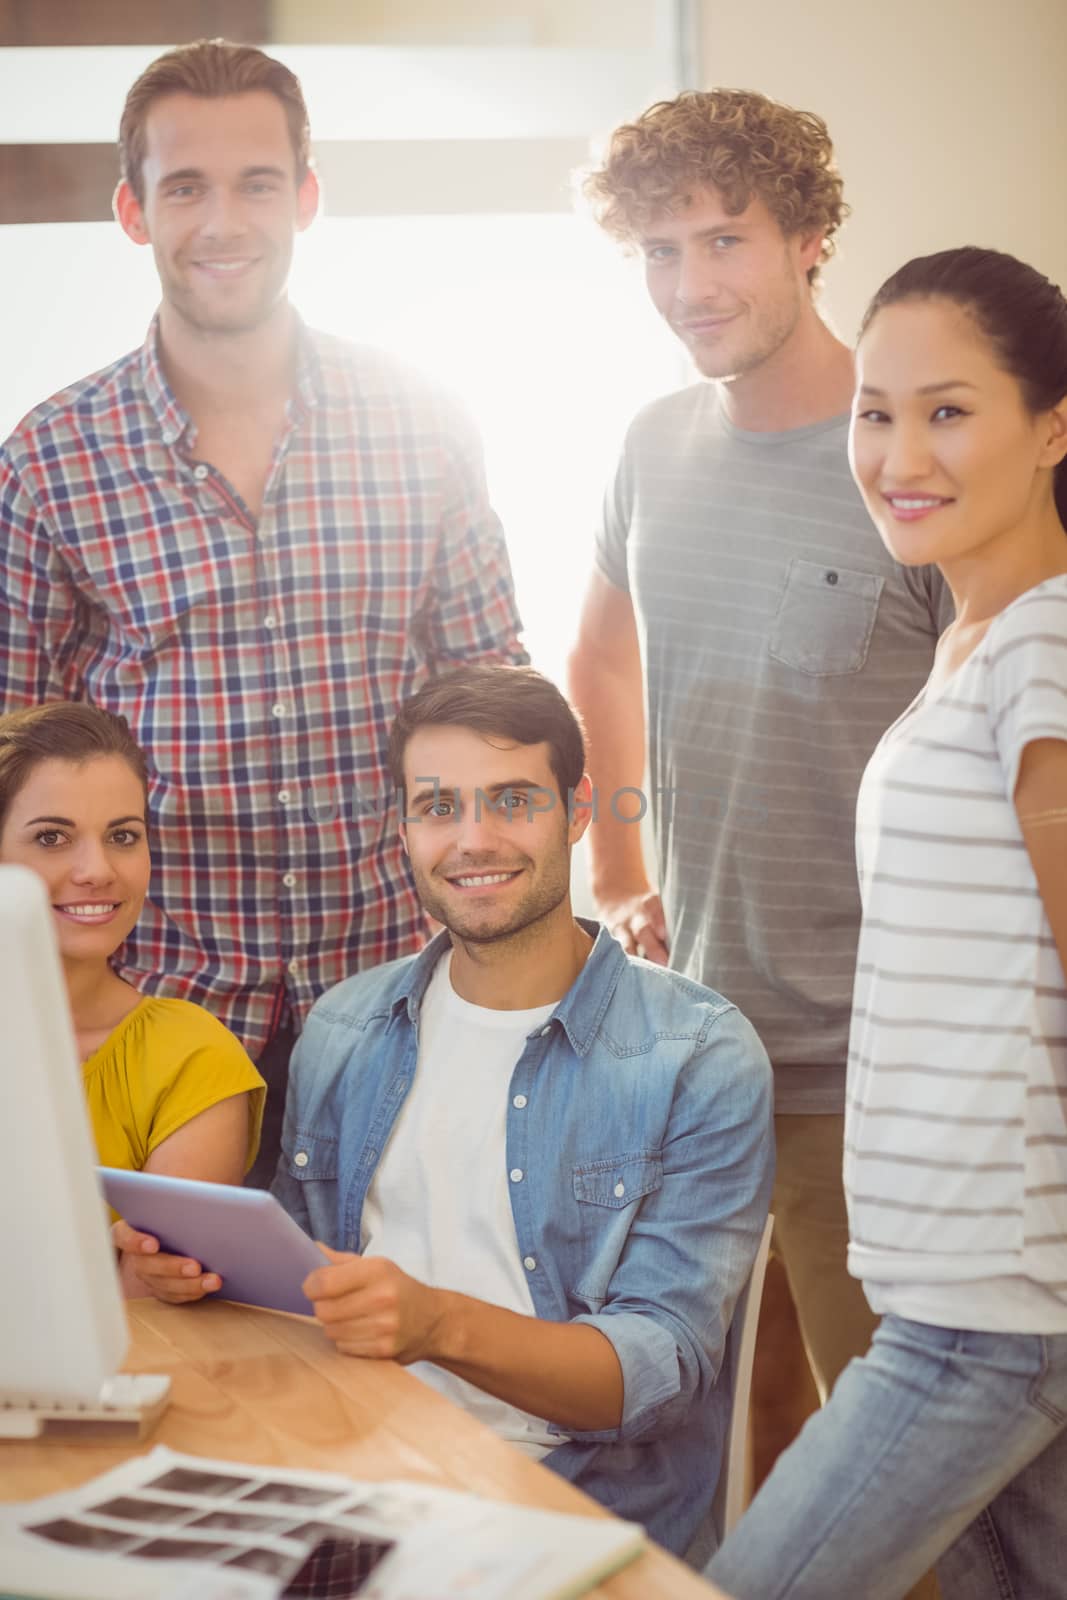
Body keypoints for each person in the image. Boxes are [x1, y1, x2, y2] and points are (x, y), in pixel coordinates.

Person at [0, 40, 525, 1188]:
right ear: (133, 211)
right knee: (173, 1343)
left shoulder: (423, 420)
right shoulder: (51, 459)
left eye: (256, 183)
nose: (222, 220)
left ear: (308, 197)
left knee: (402, 1342)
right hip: (158, 1015)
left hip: (399, 992)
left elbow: (498, 707)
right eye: (185, 186)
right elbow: (10, 751)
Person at [116, 663, 774, 1558]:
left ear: (578, 812)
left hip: (566, 1509)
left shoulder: (696, 1054)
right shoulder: (344, 1025)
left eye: (511, 800)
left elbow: (658, 1374)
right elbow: (298, 1298)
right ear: (404, 829)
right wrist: (202, 1281)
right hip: (348, 1472)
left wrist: (438, 1325)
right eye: (437, 807)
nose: (473, 839)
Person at [569, 88, 953, 1433]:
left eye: (722, 239)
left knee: (887, 1471)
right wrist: (617, 861)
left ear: (806, 240)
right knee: (742, 1433)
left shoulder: (912, 456)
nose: (688, 285)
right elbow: (603, 659)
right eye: (657, 253)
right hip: (697, 1049)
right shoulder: (649, 447)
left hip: (876, 1064)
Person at [706, 246, 1067, 1599]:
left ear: (1051, 426)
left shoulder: (1039, 648)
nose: (895, 452)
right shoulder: (968, 643)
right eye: (873, 409)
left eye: (946, 409)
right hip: (955, 1287)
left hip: (988, 1308)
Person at [0, 701, 264, 1293]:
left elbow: (139, 1323)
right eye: (51, 837)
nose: (97, 870)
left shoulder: (191, 1058)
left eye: (123, 836)